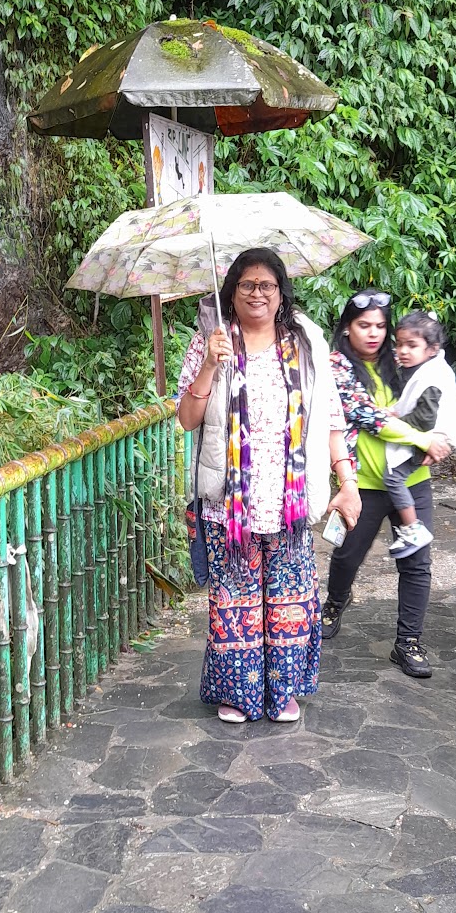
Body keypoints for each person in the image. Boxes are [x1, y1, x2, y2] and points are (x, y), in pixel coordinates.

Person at [177, 248, 362, 724]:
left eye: (267, 285)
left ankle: (283, 693)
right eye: (247, 285)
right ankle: (238, 694)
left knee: (288, 601)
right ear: (231, 292)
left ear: (281, 293)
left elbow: (331, 415)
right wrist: (209, 367)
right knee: (235, 601)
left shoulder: (306, 342)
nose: (257, 294)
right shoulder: (210, 341)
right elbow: (186, 418)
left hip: (289, 501)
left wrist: (347, 480)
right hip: (228, 503)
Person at [321, 290, 452, 679]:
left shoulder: (407, 361)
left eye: (380, 326)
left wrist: (437, 437)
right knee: (347, 555)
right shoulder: (336, 366)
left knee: (417, 564)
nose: (374, 333)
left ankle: (408, 642)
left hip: (412, 481)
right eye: (364, 325)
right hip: (361, 483)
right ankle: (334, 604)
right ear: (347, 328)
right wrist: (420, 438)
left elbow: (438, 401)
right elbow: (363, 415)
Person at [384, 311, 456, 558]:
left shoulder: (431, 376)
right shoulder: (421, 367)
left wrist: (395, 419)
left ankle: (413, 528)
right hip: (429, 435)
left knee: (392, 477)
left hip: (432, 435)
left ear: (432, 349)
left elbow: (424, 419)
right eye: (399, 344)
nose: (403, 351)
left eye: (412, 345)